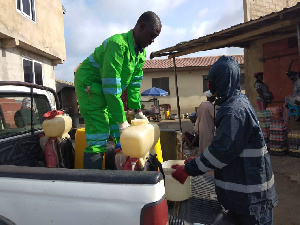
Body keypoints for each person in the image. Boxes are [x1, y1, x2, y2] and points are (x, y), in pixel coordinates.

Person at [172, 56, 278, 225]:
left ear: (223, 81)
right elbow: (227, 146)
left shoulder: (234, 111)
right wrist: (198, 160)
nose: (209, 86)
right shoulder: (233, 104)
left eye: (212, 81)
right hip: (242, 197)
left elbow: (223, 151)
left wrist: (189, 169)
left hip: (251, 201)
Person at [74, 11, 162, 169]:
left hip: (107, 89)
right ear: (141, 27)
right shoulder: (117, 44)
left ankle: (121, 174)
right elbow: (111, 87)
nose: (153, 41)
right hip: (89, 84)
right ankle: (91, 183)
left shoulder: (140, 54)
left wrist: (137, 111)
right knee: (98, 131)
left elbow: (134, 84)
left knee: (119, 131)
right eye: (151, 36)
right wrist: (123, 123)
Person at [193, 90, 216, 155]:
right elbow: (215, 116)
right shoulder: (210, 106)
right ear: (211, 97)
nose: (215, 98)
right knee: (207, 145)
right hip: (208, 129)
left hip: (201, 128)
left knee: (202, 145)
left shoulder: (202, 105)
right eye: (214, 97)